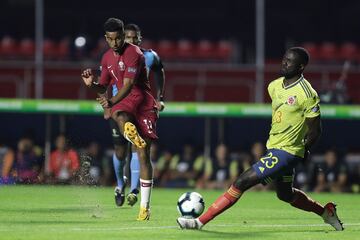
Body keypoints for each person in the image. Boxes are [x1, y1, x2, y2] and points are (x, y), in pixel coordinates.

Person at [177, 47, 344, 231]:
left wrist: (304, 150)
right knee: (285, 195)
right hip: (274, 148)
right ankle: (325, 212)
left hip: (288, 152)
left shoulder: (307, 93)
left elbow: (315, 129)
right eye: (284, 59)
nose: (285, 63)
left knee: (242, 182)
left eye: (290, 61)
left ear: (301, 66)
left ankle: (198, 222)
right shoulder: (274, 86)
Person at [81, 18, 158, 220]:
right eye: (111, 39)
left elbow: (129, 85)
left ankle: (145, 207)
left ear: (124, 36)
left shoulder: (135, 53)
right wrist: (92, 84)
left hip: (143, 102)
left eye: (119, 38)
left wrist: (110, 101)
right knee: (119, 114)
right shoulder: (106, 58)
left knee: (143, 155)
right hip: (123, 103)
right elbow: (103, 85)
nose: (115, 43)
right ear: (106, 39)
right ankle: (133, 136)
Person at [105, 23, 165, 207]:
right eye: (128, 37)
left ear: (140, 38)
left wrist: (159, 97)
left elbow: (160, 71)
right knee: (120, 151)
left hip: (139, 108)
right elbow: (107, 80)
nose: (131, 40)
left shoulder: (149, 56)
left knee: (138, 148)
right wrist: (108, 105)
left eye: (134, 37)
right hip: (120, 109)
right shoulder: (115, 56)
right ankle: (120, 185)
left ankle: (133, 190)